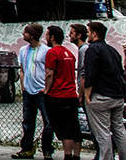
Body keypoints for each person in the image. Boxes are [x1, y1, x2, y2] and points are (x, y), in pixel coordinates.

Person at [83, 21, 126, 160]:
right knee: (119, 131)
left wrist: (87, 94)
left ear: (94, 34)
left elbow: (90, 73)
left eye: (88, 32)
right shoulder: (112, 50)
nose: (87, 34)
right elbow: (120, 72)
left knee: (103, 134)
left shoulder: (92, 49)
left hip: (101, 96)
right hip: (117, 96)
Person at [13, 22, 53, 160]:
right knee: (28, 121)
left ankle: (47, 148)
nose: (23, 35)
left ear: (32, 35)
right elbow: (22, 69)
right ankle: (27, 148)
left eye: (26, 32)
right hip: (28, 91)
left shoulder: (46, 51)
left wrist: (46, 88)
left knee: (48, 121)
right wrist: (23, 86)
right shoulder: (24, 50)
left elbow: (49, 71)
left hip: (41, 91)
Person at [40, 26, 80, 160]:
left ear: (52, 37)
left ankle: (67, 155)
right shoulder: (68, 53)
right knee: (74, 126)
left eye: (47, 35)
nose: (45, 38)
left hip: (58, 95)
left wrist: (46, 90)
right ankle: (76, 155)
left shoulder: (52, 53)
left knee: (64, 128)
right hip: (71, 94)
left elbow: (49, 74)